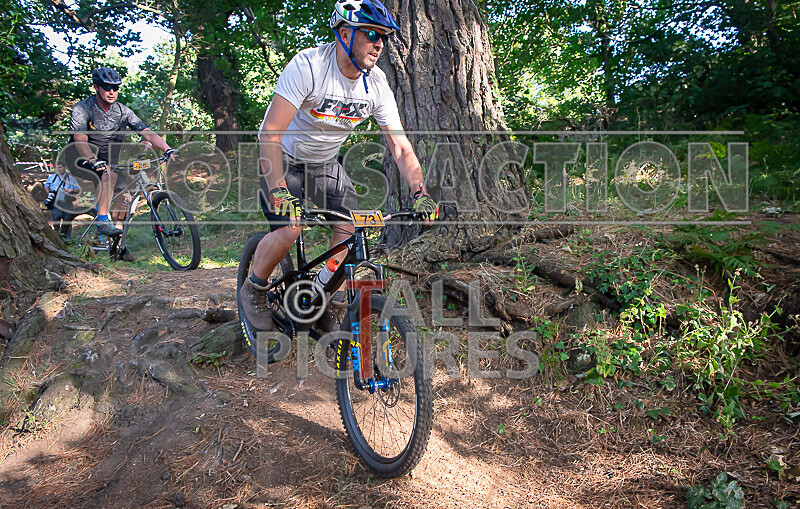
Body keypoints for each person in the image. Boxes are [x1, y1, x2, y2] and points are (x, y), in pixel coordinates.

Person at [239, 0, 439, 332]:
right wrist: (279, 190)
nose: (379, 44)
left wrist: (421, 192)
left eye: (384, 37)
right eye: (372, 34)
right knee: (290, 228)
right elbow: (270, 134)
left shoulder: (376, 85)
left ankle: (324, 296)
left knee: (350, 231)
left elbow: (400, 146)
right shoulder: (310, 66)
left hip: (325, 163)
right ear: (345, 34)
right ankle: (254, 288)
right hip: (283, 158)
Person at [64, 67, 178, 242]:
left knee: (124, 197)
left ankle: (117, 244)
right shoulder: (82, 109)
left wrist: (167, 149)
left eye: (115, 88)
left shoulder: (123, 111)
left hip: (108, 161)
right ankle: (102, 221)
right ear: (96, 87)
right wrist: (93, 160)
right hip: (81, 158)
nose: (111, 91)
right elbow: (80, 140)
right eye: (106, 87)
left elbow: (146, 132)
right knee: (108, 175)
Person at [44, 162, 81, 241]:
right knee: (56, 219)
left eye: (60, 167)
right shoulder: (52, 177)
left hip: (67, 203)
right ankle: (57, 237)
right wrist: (50, 193)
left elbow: (77, 189)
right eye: (57, 168)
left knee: (68, 221)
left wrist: (71, 190)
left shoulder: (70, 178)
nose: (59, 169)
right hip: (56, 203)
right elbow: (46, 185)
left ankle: (67, 239)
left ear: (64, 167)